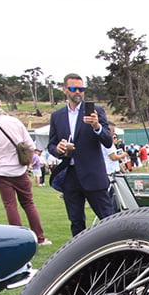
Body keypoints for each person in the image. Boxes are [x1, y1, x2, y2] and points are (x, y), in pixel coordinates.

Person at [0, 92, 52, 245]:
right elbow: (30, 146)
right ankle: (40, 237)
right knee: (28, 203)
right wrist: (27, 164)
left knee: (10, 205)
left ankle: (19, 240)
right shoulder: (14, 122)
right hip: (19, 169)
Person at [47, 73, 117, 236]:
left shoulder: (95, 111)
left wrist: (97, 126)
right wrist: (58, 149)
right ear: (65, 90)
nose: (78, 92)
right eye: (73, 89)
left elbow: (108, 141)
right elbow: (51, 145)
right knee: (76, 221)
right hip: (70, 176)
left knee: (109, 219)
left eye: (81, 89)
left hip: (93, 174)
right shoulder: (57, 116)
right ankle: (82, 251)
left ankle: (119, 248)